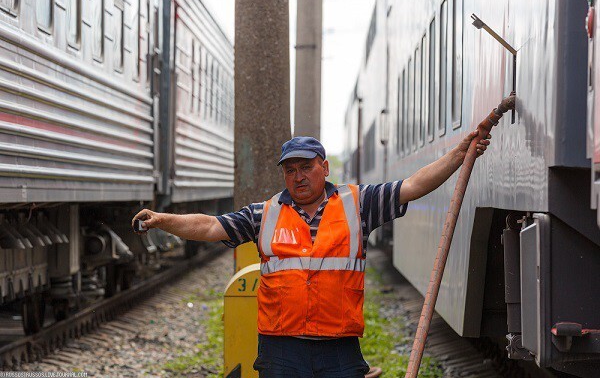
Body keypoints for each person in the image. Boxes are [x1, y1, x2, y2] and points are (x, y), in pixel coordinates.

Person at [132, 132, 491, 378]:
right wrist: (163, 219)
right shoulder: (264, 213)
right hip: (280, 350)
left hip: (338, 349)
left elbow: (413, 185)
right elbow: (211, 226)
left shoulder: (359, 203)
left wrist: (460, 154)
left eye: (306, 167)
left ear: (324, 167)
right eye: (291, 170)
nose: (298, 176)